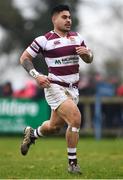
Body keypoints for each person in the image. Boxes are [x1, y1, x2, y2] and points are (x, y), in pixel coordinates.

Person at [20, 4, 93, 174]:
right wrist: (36, 75)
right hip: (54, 87)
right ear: (54, 19)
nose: (68, 20)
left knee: (54, 127)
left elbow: (89, 58)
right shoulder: (44, 40)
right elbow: (24, 58)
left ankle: (32, 134)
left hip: (73, 89)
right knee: (75, 118)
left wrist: (87, 54)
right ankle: (73, 164)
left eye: (69, 17)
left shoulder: (77, 37)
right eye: (64, 17)